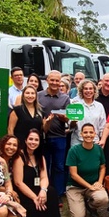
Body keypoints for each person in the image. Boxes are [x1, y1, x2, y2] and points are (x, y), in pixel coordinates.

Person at [13, 129, 63, 217]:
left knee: (52, 191)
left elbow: (44, 177)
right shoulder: (19, 157)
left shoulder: (40, 157)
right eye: (30, 139)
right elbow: (18, 182)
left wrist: (43, 190)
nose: (33, 142)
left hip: (37, 188)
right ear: (26, 140)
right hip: (24, 191)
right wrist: (35, 198)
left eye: (36, 140)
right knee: (34, 203)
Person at [66, 123, 109, 217]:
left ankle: (91, 206)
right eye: (85, 132)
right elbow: (73, 174)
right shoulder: (74, 150)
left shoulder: (98, 149)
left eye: (91, 132)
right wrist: (89, 187)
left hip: (93, 184)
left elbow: (102, 167)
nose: (88, 135)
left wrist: (99, 182)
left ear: (95, 134)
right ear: (81, 134)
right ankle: (79, 203)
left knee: (103, 198)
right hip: (75, 187)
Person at [38, 70, 70, 198]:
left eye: (57, 80)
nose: (55, 83)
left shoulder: (65, 98)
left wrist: (64, 118)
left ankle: (57, 195)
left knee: (59, 167)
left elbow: (69, 118)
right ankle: (45, 191)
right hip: (42, 137)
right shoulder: (38, 95)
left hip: (59, 137)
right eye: (52, 80)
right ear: (47, 80)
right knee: (44, 166)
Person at [69, 79, 106, 147]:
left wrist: (102, 140)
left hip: (94, 142)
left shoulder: (99, 106)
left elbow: (102, 126)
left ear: (94, 91)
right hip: (77, 142)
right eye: (85, 89)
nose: (88, 91)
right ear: (81, 91)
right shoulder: (75, 105)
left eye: (90, 89)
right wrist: (73, 122)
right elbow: (70, 127)